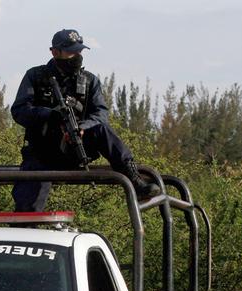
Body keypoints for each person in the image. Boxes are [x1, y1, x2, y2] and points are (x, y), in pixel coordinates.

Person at [11, 28, 160, 212]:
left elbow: (100, 113)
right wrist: (50, 115)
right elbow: (19, 111)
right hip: (42, 153)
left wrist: (83, 127)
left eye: (79, 51)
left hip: (75, 149)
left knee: (102, 129)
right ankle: (26, 234)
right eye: (71, 51)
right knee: (27, 211)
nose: (77, 56)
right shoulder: (35, 76)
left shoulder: (89, 81)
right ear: (54, 52)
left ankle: (134, 179)